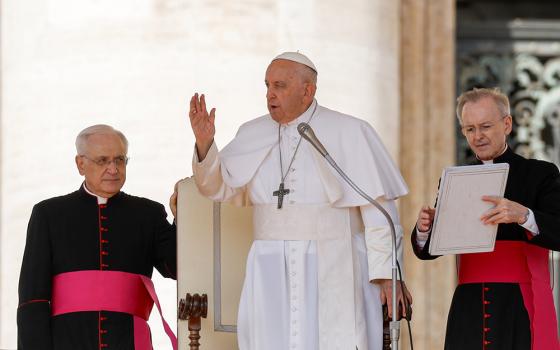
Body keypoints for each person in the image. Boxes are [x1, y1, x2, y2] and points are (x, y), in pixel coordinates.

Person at [188, 52, 412, 350]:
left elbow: (378, 210)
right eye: (267, 85)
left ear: (308, 90)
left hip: (334, 262)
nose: (270, 94)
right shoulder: (252, 132)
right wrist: (205, 145)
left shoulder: (349, 130)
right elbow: (219, 188)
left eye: (279, 85)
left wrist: (387, 275)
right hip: (269, 266)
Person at [412, 88, 560, 350]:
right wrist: (427, 229)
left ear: (507, 124)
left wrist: (524, 215)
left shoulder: (540, 173)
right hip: (469, 307)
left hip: (519, 304)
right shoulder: (455, 178)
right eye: (469, 129)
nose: (477, 136)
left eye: (485, 126)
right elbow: (429, 252)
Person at [17, 124, 178, 350]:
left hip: (130, 342)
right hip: (67, 341)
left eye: (120, 160)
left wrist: (181, 219)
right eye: (103, 160)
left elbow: (176, 268)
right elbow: (32, 301)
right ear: (80, 164)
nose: (113, 169)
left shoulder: (148, 214)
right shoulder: (49, 214)